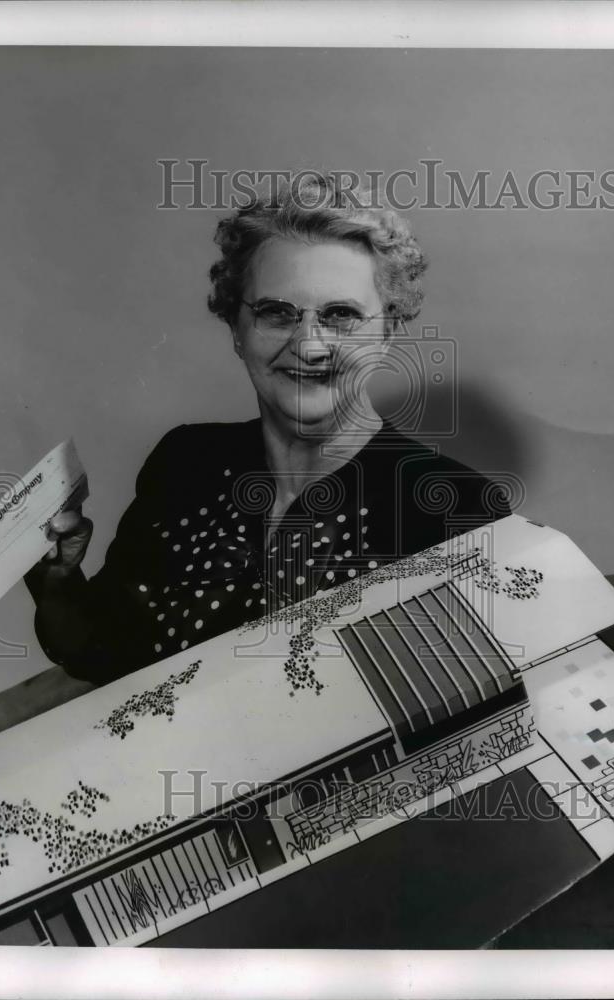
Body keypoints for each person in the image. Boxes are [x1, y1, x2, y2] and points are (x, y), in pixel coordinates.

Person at [25, 174, 509, 685]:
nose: (310, 346)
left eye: (340, 315)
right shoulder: (186, 462)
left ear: (388, 331)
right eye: (276, 313)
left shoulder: (458, 508)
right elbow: (104, 655)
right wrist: (56, 579)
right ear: (235, 328)